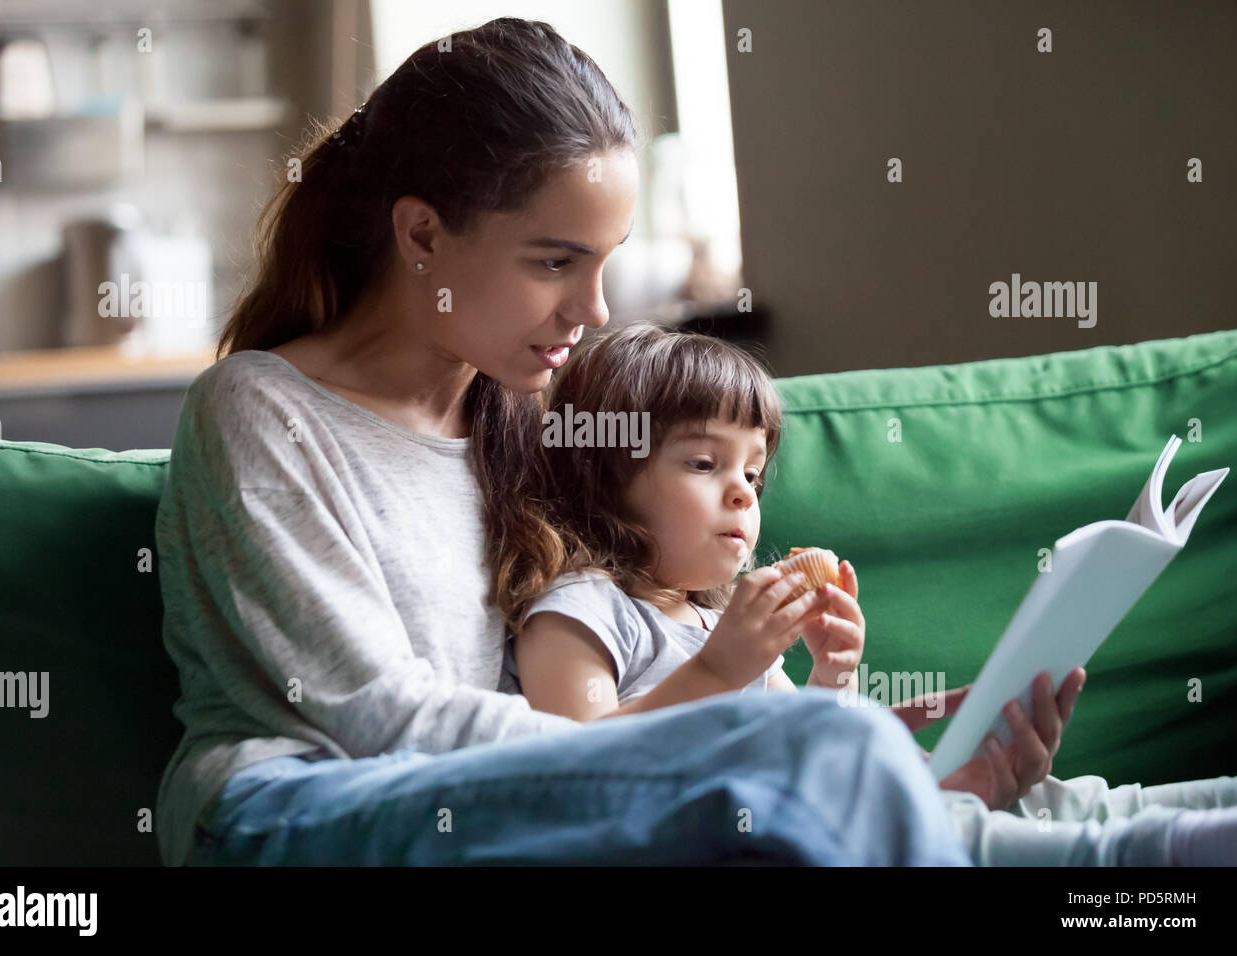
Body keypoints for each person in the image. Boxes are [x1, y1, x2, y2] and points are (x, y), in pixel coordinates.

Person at [156, 17, 1003, 868]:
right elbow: (386, 721)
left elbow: (639, 662)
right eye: (555, 263)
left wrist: (854, 756)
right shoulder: (261, 414)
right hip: (297, 809)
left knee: (879, 783)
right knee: (820, 770)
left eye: (604, 263)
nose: (594, 310)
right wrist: (744, 741)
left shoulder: (531, 421)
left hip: (515, 805)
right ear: (420, 236)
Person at [500, 322, 1237, 866]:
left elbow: (808, 744)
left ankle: (1186, 819)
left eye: (754, 475)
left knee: (1065, 799)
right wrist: (716, 674)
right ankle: (1165, 856)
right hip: (759, 841)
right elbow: (569, 772)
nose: (741, 493)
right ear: (602, 474)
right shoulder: (582, 610)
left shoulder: (720, 618)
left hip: (821, 816)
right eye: (703, 462)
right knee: (996, 842)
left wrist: (833, 682)